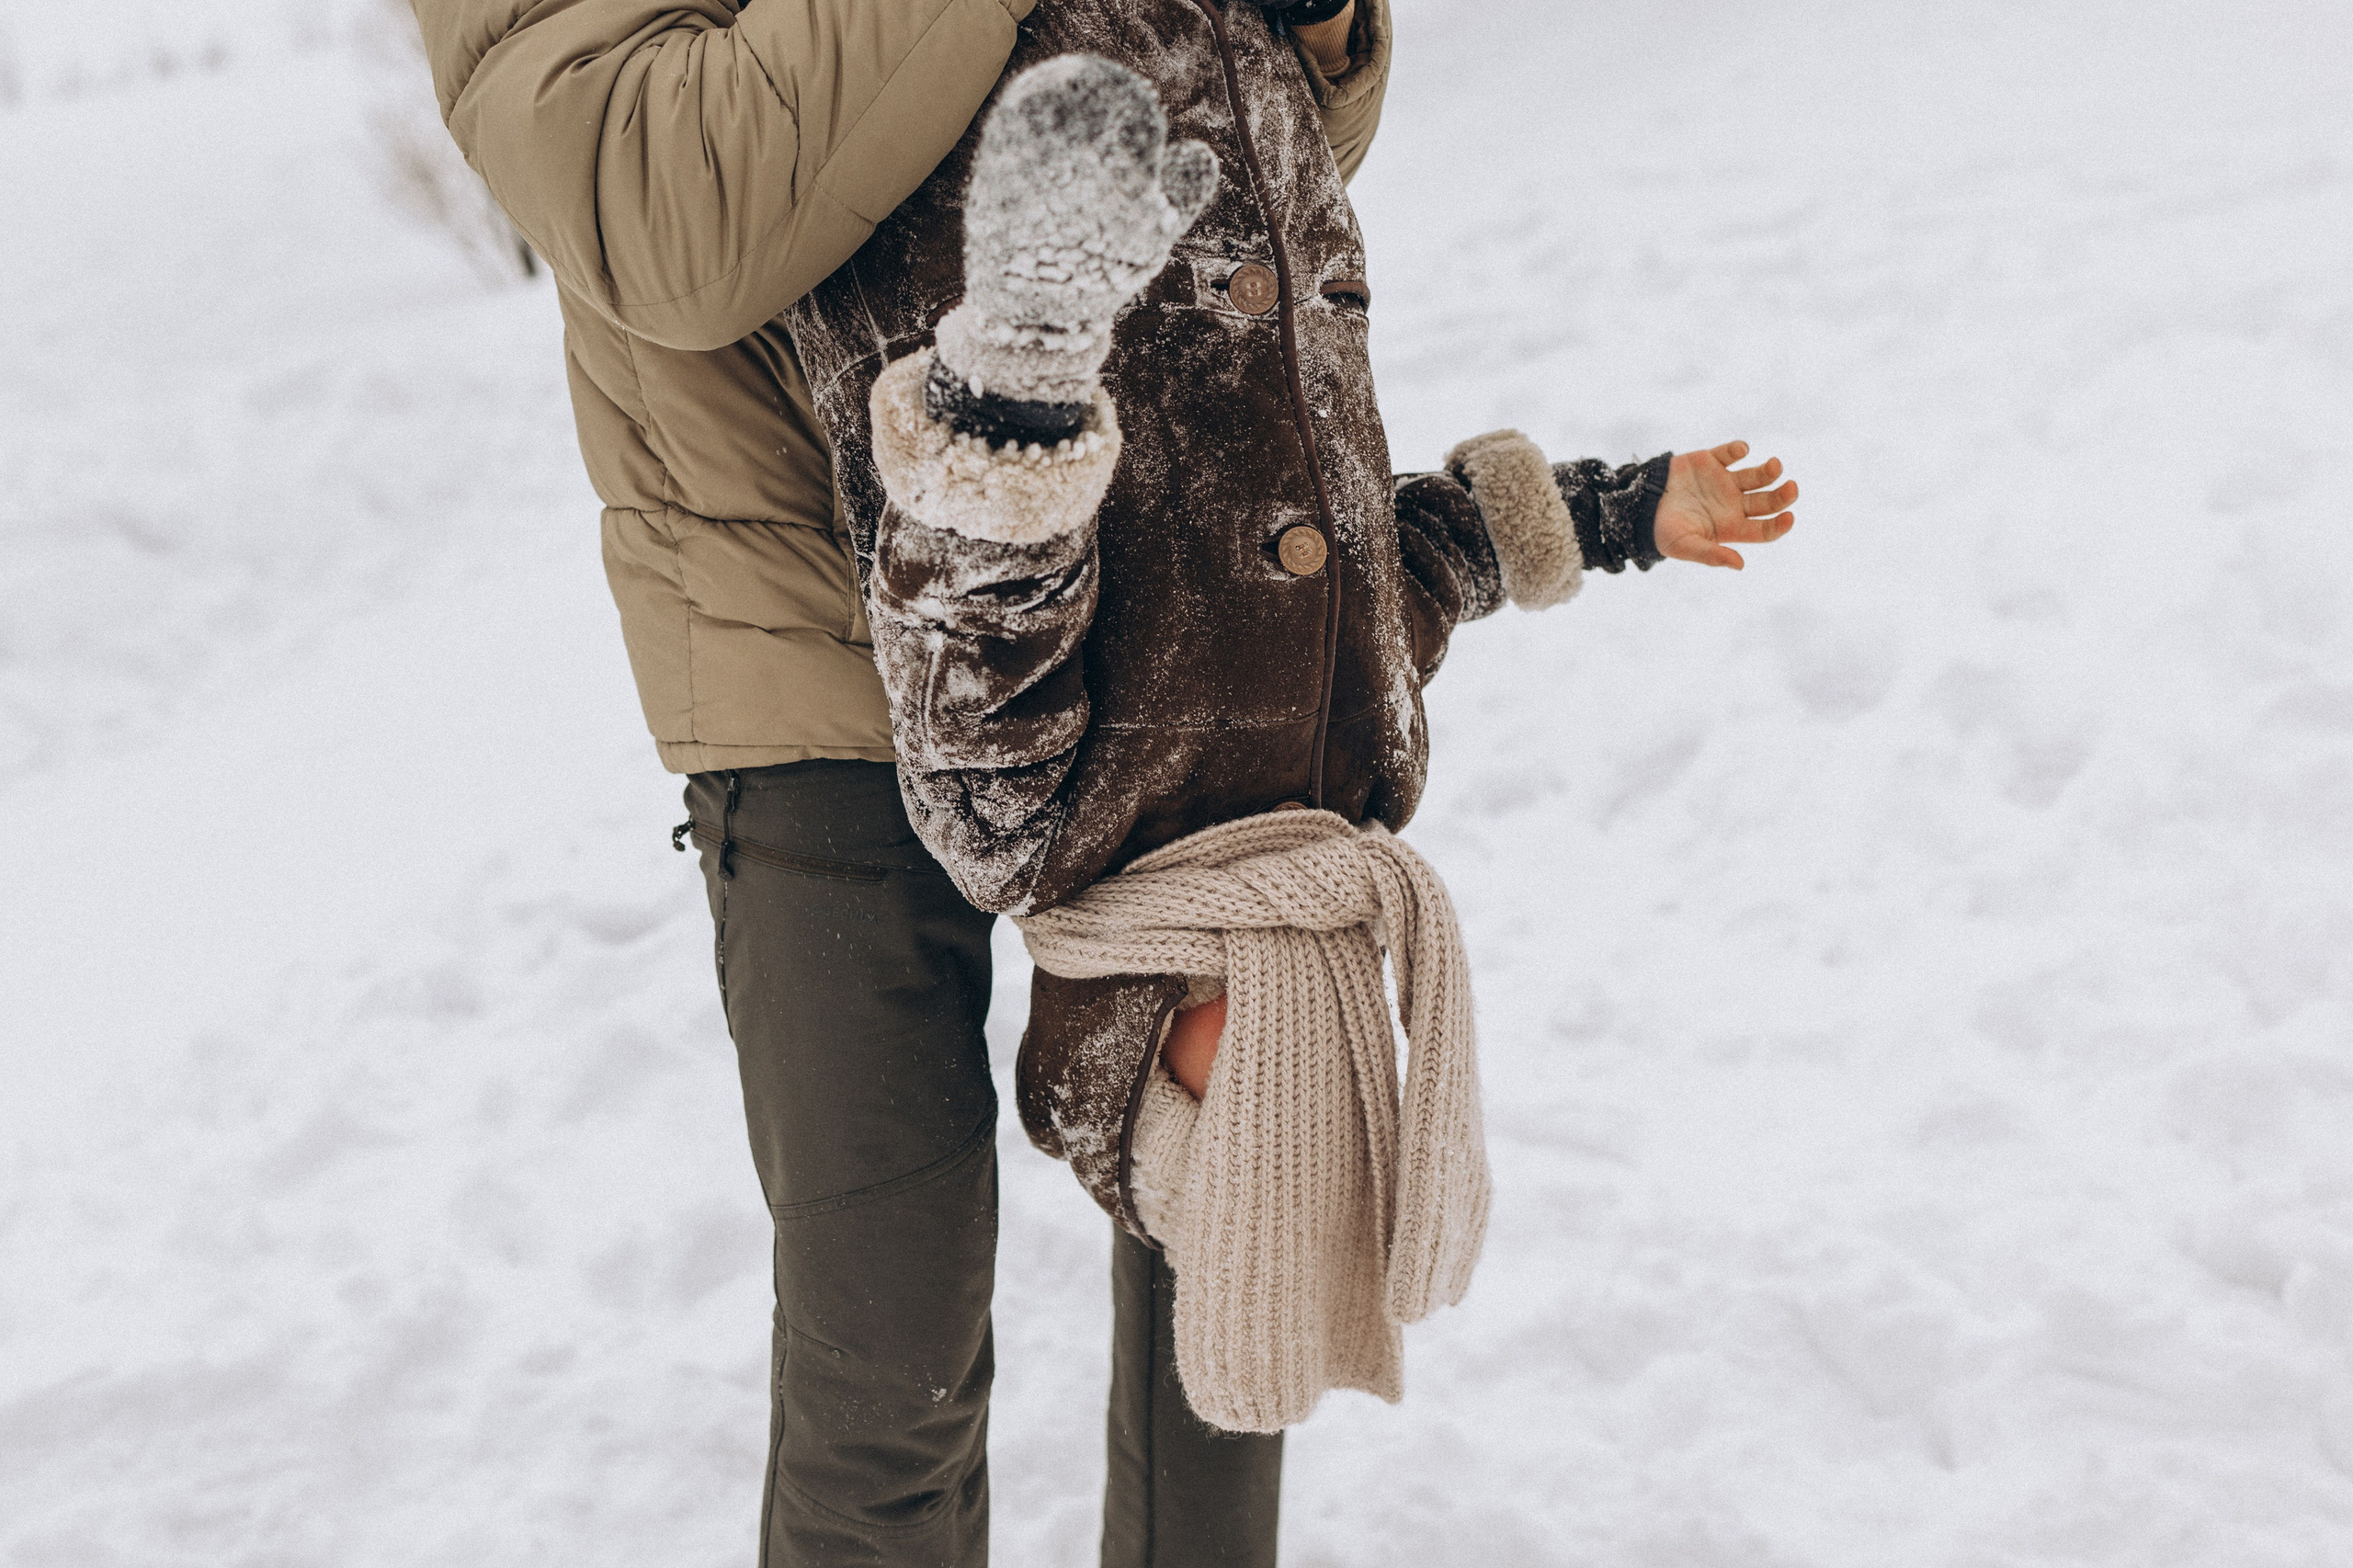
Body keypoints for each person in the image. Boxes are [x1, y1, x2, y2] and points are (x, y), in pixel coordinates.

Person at [410, 1, 1795, 1563]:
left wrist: (1318, 28)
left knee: (1243, 1229)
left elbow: (1214, 146)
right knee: (895, 1353)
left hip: (1167, 592)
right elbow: (671, 214)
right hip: (801, 641)